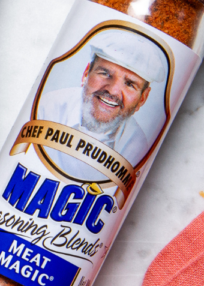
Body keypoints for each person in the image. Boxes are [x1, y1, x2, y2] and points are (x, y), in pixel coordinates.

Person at [35, 29, 168, 181]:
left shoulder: (137, 145)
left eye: (130, 84)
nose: (113, 91)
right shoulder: (48, 108)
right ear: (86, 74)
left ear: (142, 99)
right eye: (105, 73)